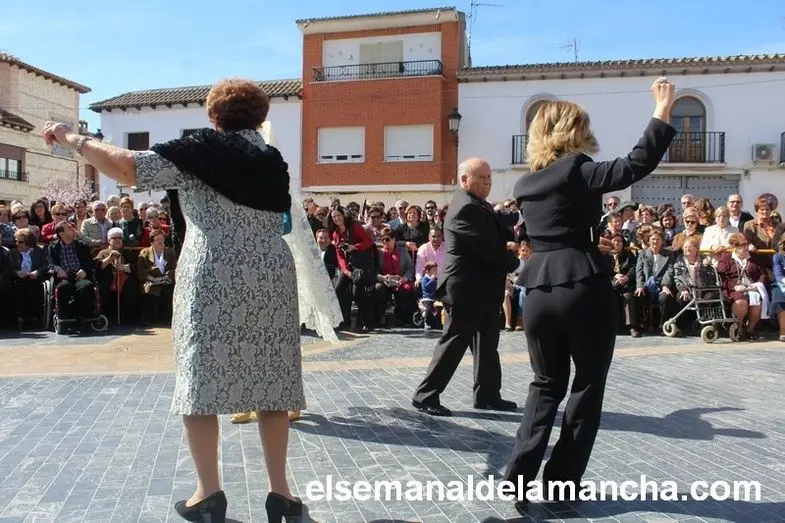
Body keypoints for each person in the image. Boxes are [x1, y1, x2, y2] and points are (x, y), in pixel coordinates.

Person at [41, 78, 309, 523]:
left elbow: (127, 167)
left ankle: (208, 495)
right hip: (271, 275)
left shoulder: (198, 153)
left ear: (213, 115)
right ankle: (281, 495)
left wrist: (71, 137)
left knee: (199, 381)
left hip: (213, 272)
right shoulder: (272, 161)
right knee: (272, 380)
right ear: (261, 117)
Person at [503, 78, 677, 511]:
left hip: (537, 291)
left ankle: (517, 480)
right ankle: (561, 483)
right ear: (573, 130)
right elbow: (635, 164)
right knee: (586, 385)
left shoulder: (526, 185)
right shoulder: (578, 170)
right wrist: (661, 111)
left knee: (545, 384)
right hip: (582, 287)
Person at [412, 157, 521, 416]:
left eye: (489, 177)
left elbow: (496, 222)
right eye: (481, 177)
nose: (487, 182)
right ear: (464, 180)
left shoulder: (475, 203)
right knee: (454, 343)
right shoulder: (465, 208)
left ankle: (487, 395)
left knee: (487, 344)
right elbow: (488, 248)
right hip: (466, 290)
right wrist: (516, 262)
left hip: (482, 289)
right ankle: (425, 395)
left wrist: (522, 214)